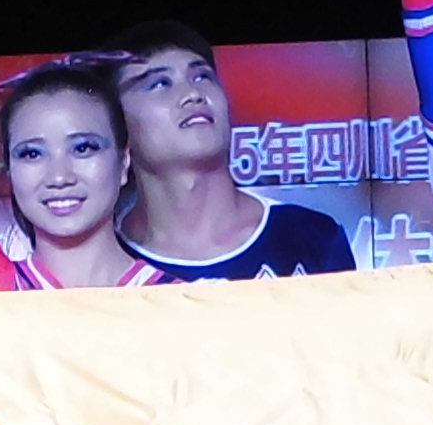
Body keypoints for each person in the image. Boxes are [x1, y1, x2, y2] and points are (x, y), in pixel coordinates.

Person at [108, 21, 359, 279]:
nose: (193, 94)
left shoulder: (313, 237)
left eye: (202, 77)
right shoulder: (108, 263)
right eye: (160, 84)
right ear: (114, 124)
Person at [0, 59, 167, 290]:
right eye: (32, 154)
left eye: (82, 148)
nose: (59, 177)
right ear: (10, 171)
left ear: (124, 162)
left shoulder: (180, 301)